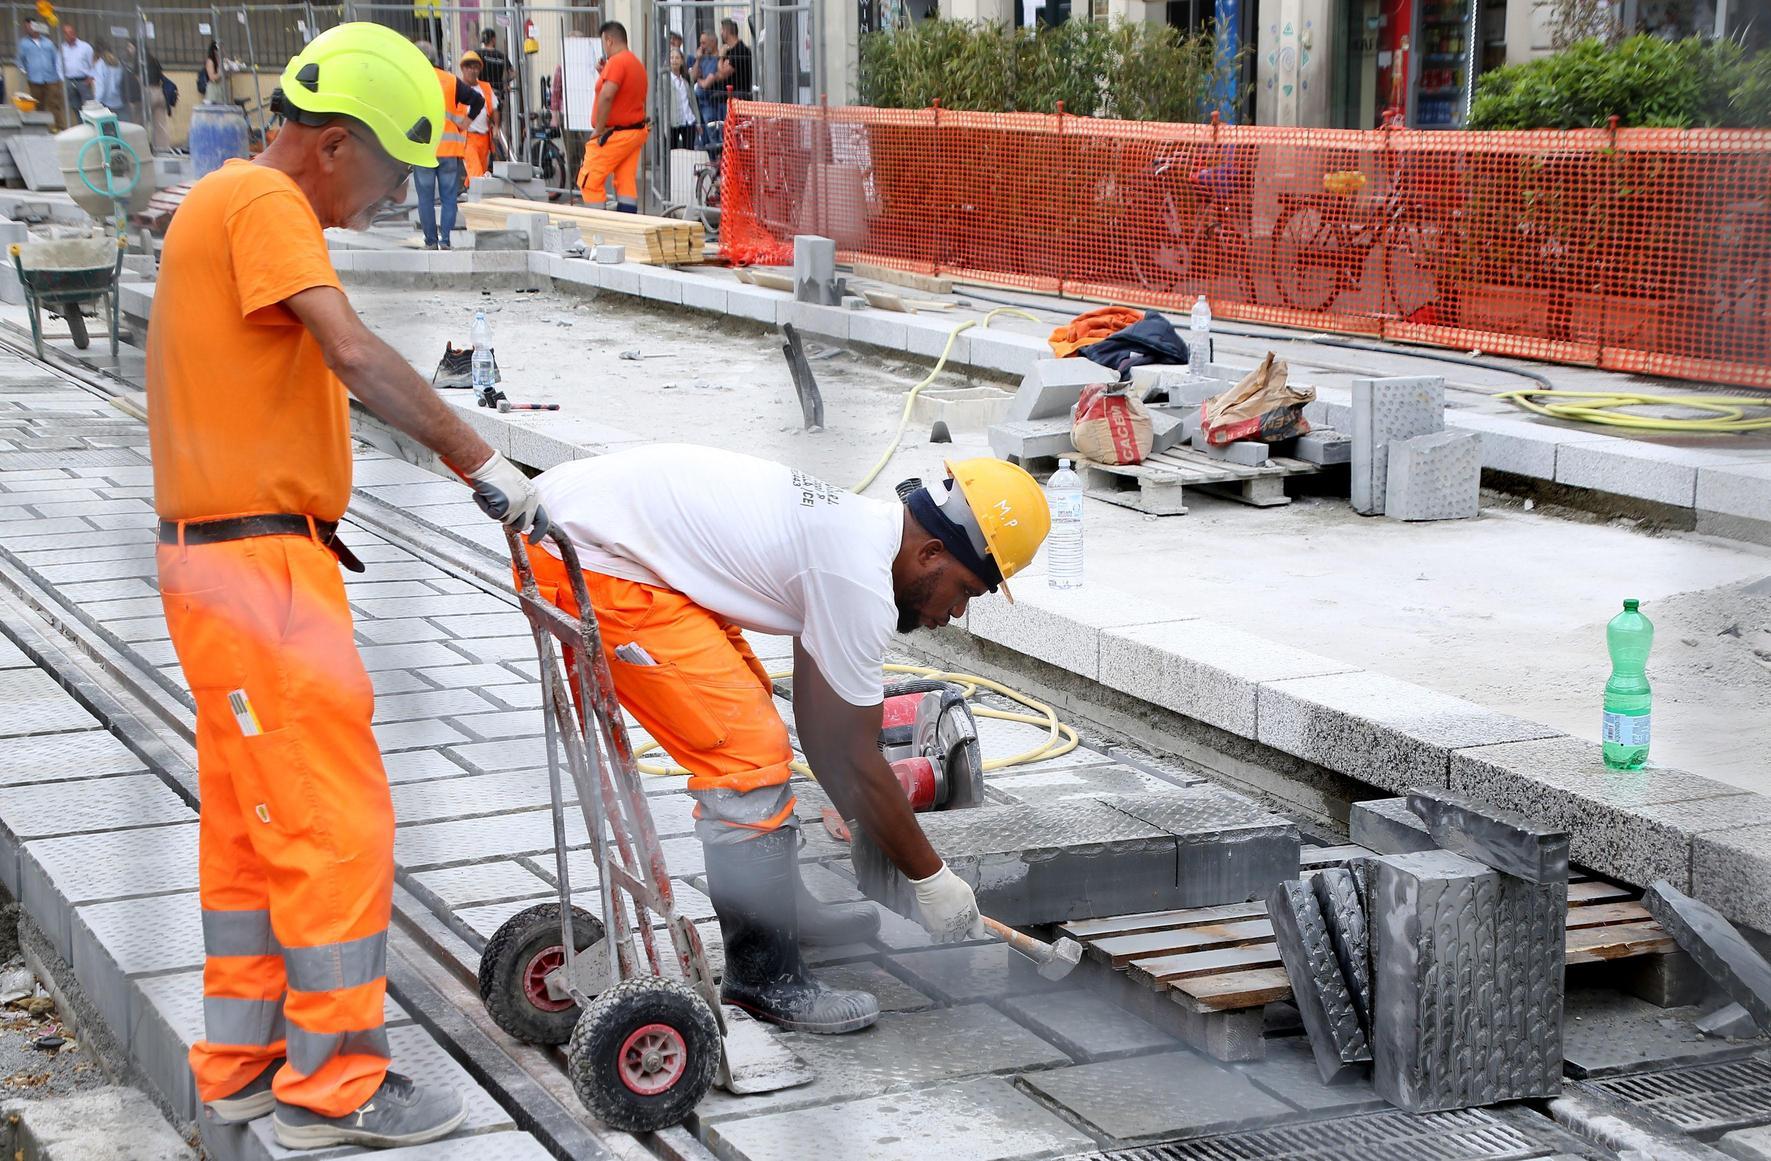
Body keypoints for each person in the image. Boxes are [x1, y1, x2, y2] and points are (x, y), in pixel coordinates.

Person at [147, 21, 547, 1151]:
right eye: (393, 167)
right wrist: (487, 467)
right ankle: (336, 1092)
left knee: (249, 828)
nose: (395, 193)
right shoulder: (267, 205)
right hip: (260, 568)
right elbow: (357, 355)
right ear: (329, 143)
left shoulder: (216, 199)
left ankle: (240, 1066)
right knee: (335, 825)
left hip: (212, 560)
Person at [527, 447, 1049, 1032]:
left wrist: (880, 836)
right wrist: (932, 879)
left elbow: (824, 734)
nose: (954, 613)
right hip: (582, 552)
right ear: (930, 552)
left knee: (753, 715)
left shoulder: (857, 540)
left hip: (599, 532)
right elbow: (851, 755)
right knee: (745, 756)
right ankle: (762, 975)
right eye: (965, 591)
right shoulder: (856, 580)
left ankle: (779, 907)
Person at [410, 40, 483, 249]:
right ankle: (447, 240)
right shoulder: (451, 81)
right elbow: (478, 100)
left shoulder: (413, 82)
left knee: (425, 198)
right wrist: (466, 122)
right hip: (448, 150)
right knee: (449, 198)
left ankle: (431, 242)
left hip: (423, 150)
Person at [575, 20, 646, 213]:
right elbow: (625, 94)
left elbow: (607, 95)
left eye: (603, 43)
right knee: (625, 181)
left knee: (589, 180)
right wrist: (603, 72)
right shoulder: (635, 64)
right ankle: (627, 225)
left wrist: (598, 129)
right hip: (634, 131)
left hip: (615, 133)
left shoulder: (618, 61)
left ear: (609, 40)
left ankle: (596, 229)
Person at [698, 16, 752, 117]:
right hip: (726, 100)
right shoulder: (729, 50)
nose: (721, 34)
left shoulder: (740, 50)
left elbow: (722, 74)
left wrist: (721, 57)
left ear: (726, 31)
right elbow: (720, 72)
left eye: (722, 30)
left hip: (737, 101)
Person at [17, 21, 64, 130]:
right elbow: (20, 59)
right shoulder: (24, 43)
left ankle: (60, 127)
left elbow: (56, 59)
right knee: (38, 105)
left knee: (55, 103)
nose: (29, 29)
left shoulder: (48, 43)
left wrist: (59, 74)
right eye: (27, 27)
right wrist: (23, 69)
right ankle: (43, 128)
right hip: (34, 79)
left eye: (30, 26)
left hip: (51, 78)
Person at [459, 50, 497, 180]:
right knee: (477, 176)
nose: (472, 71)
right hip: (468, 138)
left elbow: (495, 108)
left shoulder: (485, 87)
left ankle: (470, 195)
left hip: (485, 139)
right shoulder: (458, 87)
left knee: (480, 174)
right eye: (469, 67)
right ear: (463, 69)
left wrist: (496, 126)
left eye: (475, 67)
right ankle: (477, 198)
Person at [59, 21, 94, 117]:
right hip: (69, 81)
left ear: (75, 33)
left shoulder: (85, 47)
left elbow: (92, 64)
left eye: (71, 32)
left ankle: (91, 127)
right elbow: (59, 65)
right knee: (75, 106)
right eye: (66, 33)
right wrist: (63, 80)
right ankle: (81, 125)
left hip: (83, 81)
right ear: (64, 35)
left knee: (89, 105)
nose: (69, 35)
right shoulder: (62, 48)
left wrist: (90, 78)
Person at [690, 30, 720, 138]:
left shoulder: (717, 60)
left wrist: (699, 80)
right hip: (699, 103)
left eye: (704, 43)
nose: (701, 46)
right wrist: (698, 60)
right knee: (703, 137)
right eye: (700, 43)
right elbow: (692, 77)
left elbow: (706, 83)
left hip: (710, 103)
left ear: (712, 42)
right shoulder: (703, 59)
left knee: (712, 134)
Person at [665, 46, 695, 150]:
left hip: (688, 120)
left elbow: (693, 101)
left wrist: (698, 121)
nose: (674, 60)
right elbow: (664, 104)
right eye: (672, 58)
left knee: (689, 151)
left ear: (682, 61)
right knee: (672, 152)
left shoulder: (686, 79)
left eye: (677, 58)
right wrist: (665, 124)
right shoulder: (665, 79)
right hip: (673, 122)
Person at [93, 41, 125, 115]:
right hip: (119, 101)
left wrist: (96, 102)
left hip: (106, 102)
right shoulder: (118, 63)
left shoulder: (100, 64)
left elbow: (100, 86)